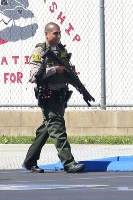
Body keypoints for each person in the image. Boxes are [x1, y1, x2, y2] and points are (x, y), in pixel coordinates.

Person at [22, 22, 86, 174]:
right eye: (55, 33)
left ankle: (30, 161)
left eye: (59, 33)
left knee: (46, 129)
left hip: (61, 96)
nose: (58, 36)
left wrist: (77, 84)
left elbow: (68, 70)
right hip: (48, 96)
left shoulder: (61, 50)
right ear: (47, 34)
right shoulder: (40, 50)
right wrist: (54, 70)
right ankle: (69, 163)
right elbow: (34, 75)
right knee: (57, 129)